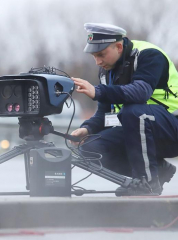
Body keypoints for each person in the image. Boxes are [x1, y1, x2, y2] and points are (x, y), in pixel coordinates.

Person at [70, 23, 177, 196]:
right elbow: (104, 112)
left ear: (118, 46)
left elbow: (141, 93)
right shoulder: (106, 71)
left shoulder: (149, 55)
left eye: (101, 55)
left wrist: (97, 91)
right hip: (140, 132)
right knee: (90, 148)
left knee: (134, 112)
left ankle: (147, 183)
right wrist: (88, 128)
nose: (98, 61)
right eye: (94, 56)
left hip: (171, 128)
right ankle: (159, 171)